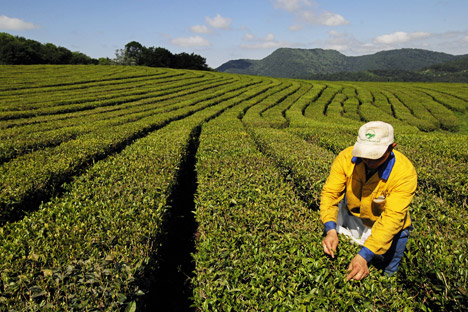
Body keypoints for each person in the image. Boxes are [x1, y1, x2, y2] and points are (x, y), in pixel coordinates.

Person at [320, 121, 417, 281]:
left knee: (386, 277)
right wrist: (330, 230)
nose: (368, 161)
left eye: (375, 156)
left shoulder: (404, 173)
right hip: (354, 220)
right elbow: (330, 194)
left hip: (388, 228)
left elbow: (392, 218)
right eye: (365, 154)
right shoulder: (346, 158)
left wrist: (364, 255)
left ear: (391, 147)